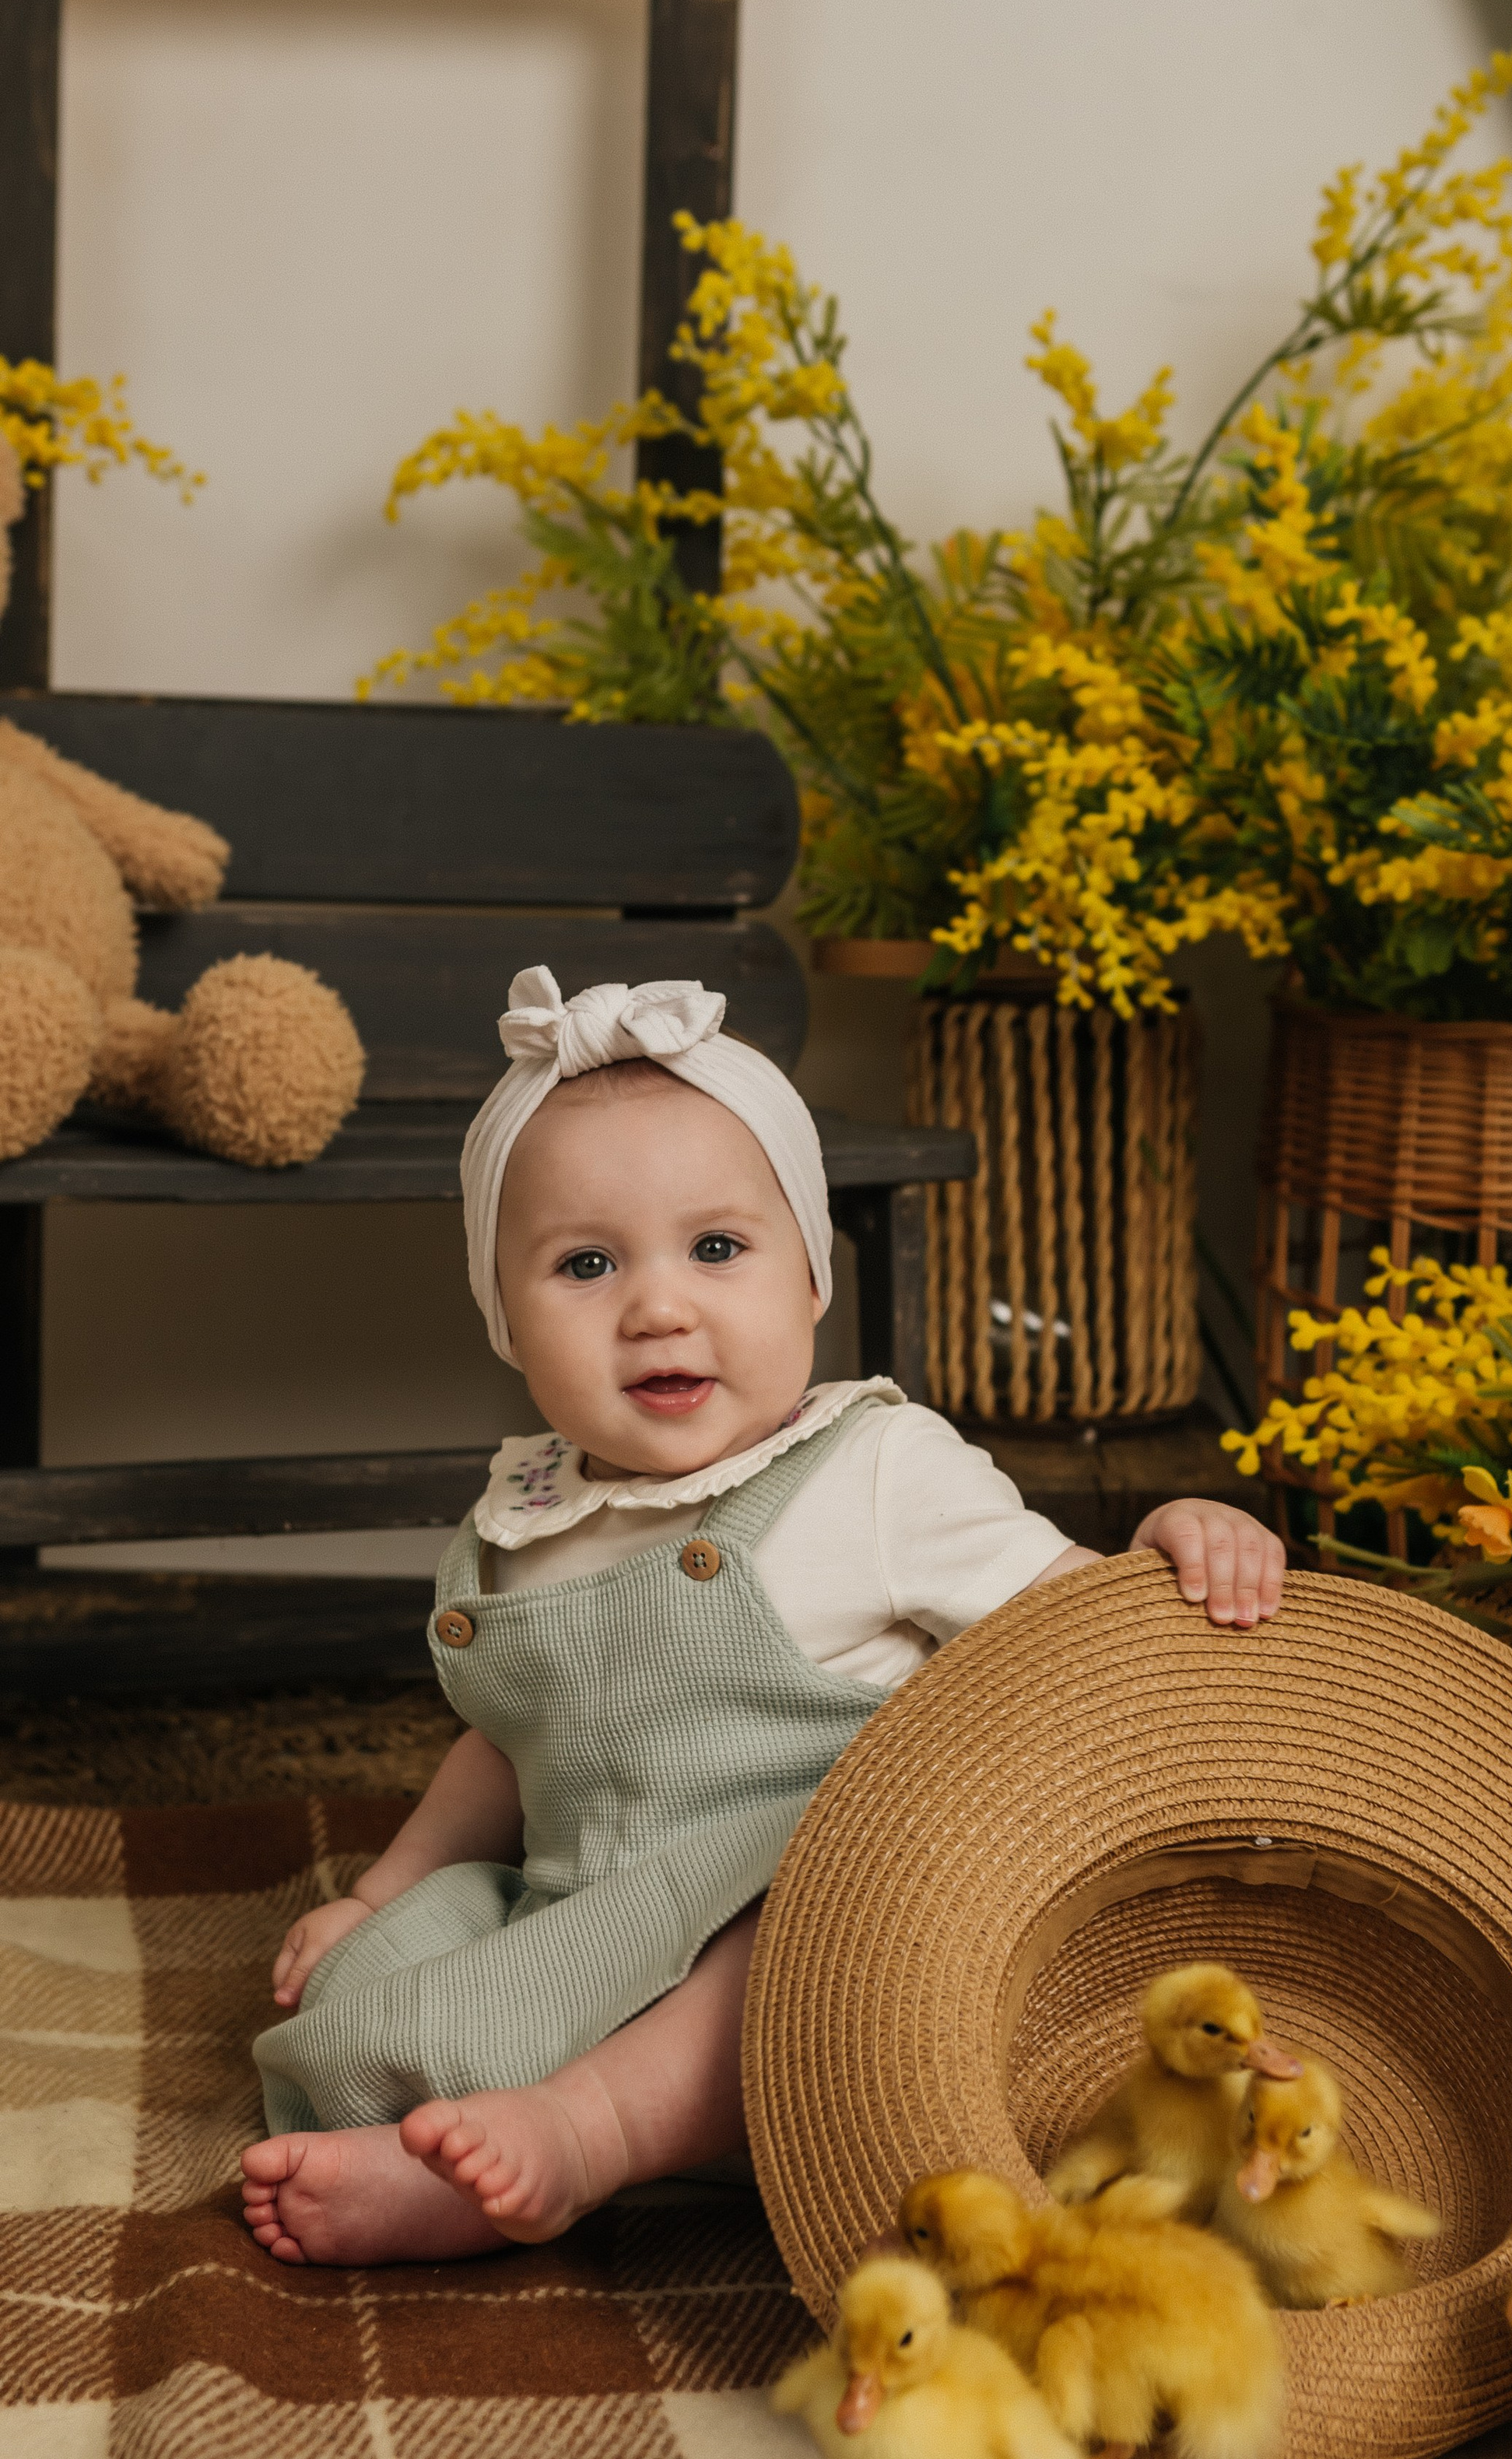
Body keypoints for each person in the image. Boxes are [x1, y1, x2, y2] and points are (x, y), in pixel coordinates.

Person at [241, 970, 1286, 2267]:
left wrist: (1173, 1533)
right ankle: (438, 2145)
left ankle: (585, 2138)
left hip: (826, 1986)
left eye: (718, 1249)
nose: (658, 1308)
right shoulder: (527, 1516)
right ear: (505, 1318)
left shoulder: (877, 1470)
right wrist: (381, 1893)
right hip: (591, 1933)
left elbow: (1076, 1639)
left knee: (789, 1930)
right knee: (381, 1983)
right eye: (585, 1265)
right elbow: (513, 1745)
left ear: (810, 1279)